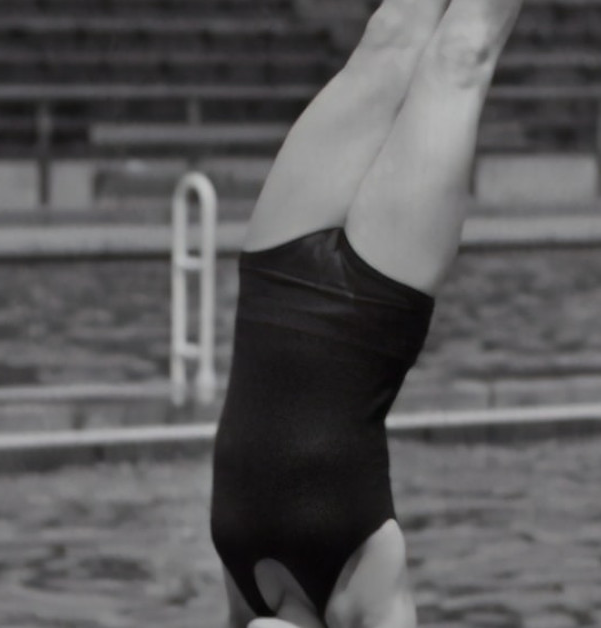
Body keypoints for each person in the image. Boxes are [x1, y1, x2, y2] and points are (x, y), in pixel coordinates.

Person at [210, 0, 523, 626]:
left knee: (391, 35)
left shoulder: (244, 592)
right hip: (376, 302)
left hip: (274, 270)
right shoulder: (364, 603)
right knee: (459, 58)